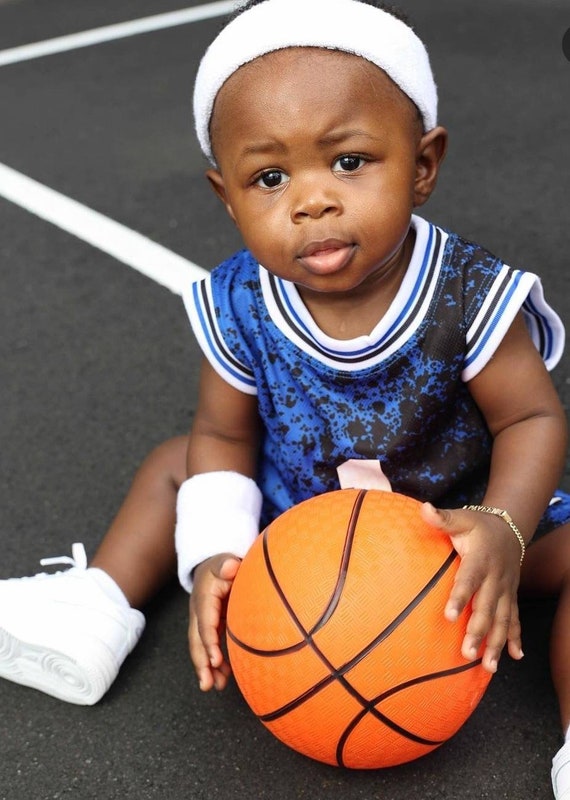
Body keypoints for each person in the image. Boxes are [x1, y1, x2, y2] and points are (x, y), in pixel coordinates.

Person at [0, 0, 569, 795]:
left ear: (424, 164)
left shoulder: (468, 291)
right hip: (299, 530)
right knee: (180, 462)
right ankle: (99, 608)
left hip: (453, 530)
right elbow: (224, 440)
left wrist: (504, 527)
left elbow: (532, 417)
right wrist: (212, 559)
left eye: (349, 161)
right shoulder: (237, 301)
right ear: (226, 197)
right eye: (270, 177)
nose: (311, 200)